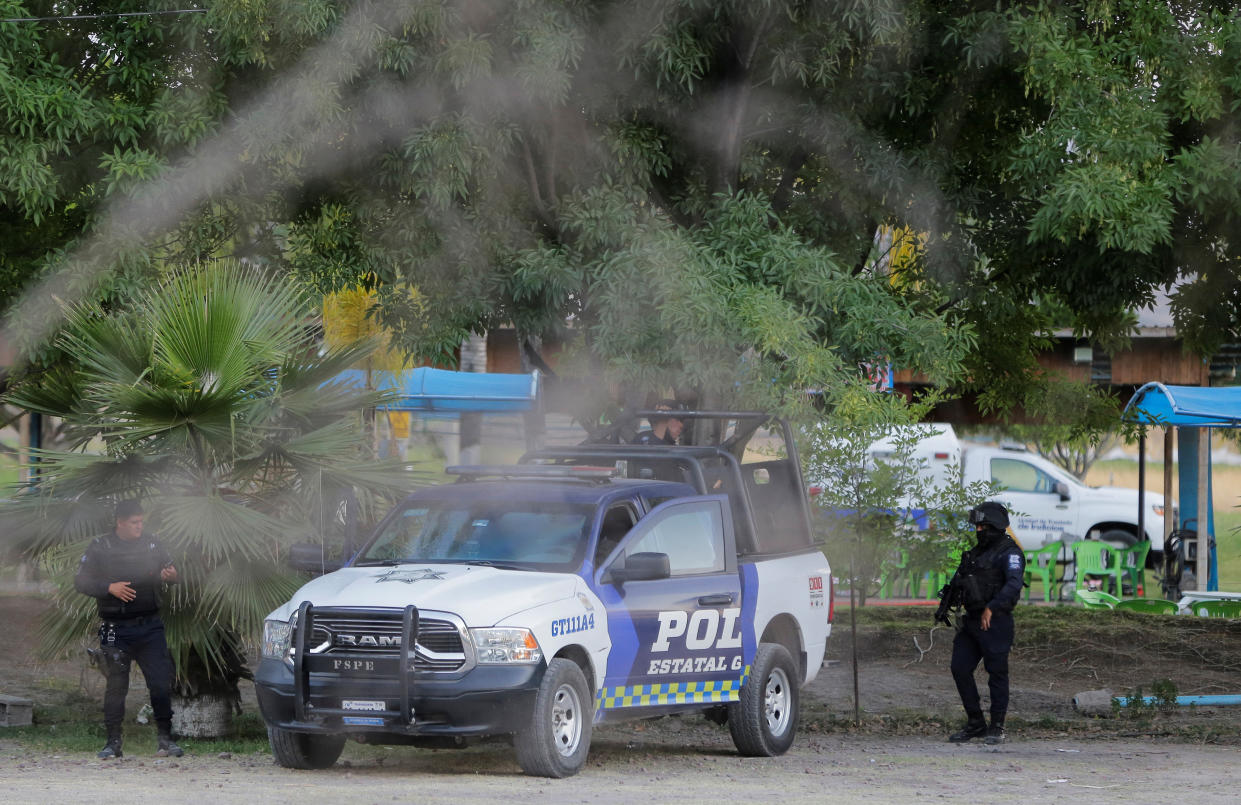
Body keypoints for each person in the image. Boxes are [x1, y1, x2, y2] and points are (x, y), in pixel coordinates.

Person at [74, 500, 182, 759]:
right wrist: (109, 588)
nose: (139, 526)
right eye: (134, 522)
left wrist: (171, 575)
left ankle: (166, 740)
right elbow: (80, 581)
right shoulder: (101, 546)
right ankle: (113, 742)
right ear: (120, 522)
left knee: (159, 683)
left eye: (141, 521)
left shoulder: (152, 543)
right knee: (116, 685)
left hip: (150, 626)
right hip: (114, 629)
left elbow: (175, 572)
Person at [944, 501, 1025, 745]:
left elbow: (1013, 585)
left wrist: (992, 607)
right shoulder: (976, 553)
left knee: (996, 674)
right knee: (959, 667)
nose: (978, 531)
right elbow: (959, 580)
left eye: (983, 526)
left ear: (995, 526)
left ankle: (997, 726)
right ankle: (976, 723)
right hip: (971, 621)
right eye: (977, 526)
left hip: (996, 622)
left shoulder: (1010, 553)